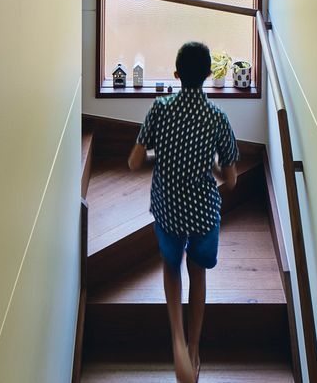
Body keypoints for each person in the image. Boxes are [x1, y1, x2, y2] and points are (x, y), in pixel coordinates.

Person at [128, 41, 239, 383]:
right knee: (199, 272)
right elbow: (231, 179)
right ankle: (193, 348)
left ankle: (176, 337)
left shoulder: (160, 108)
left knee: (171, 266)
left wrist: (157, 157)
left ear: (176, 75)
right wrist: (215, 167)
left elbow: (133, 163)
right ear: (208, 74)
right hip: (203, 212)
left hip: (169, 208)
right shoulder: (217, 117)